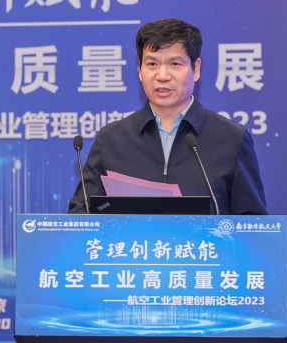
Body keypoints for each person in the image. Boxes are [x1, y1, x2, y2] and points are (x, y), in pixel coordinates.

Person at [68, 18, 267, 215]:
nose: (162, 75)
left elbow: (253, 225)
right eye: (152, 64)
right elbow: (80, 213)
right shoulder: (111, 140)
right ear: (140, 69)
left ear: (196, 69)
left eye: (174, 63)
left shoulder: (231, 139)